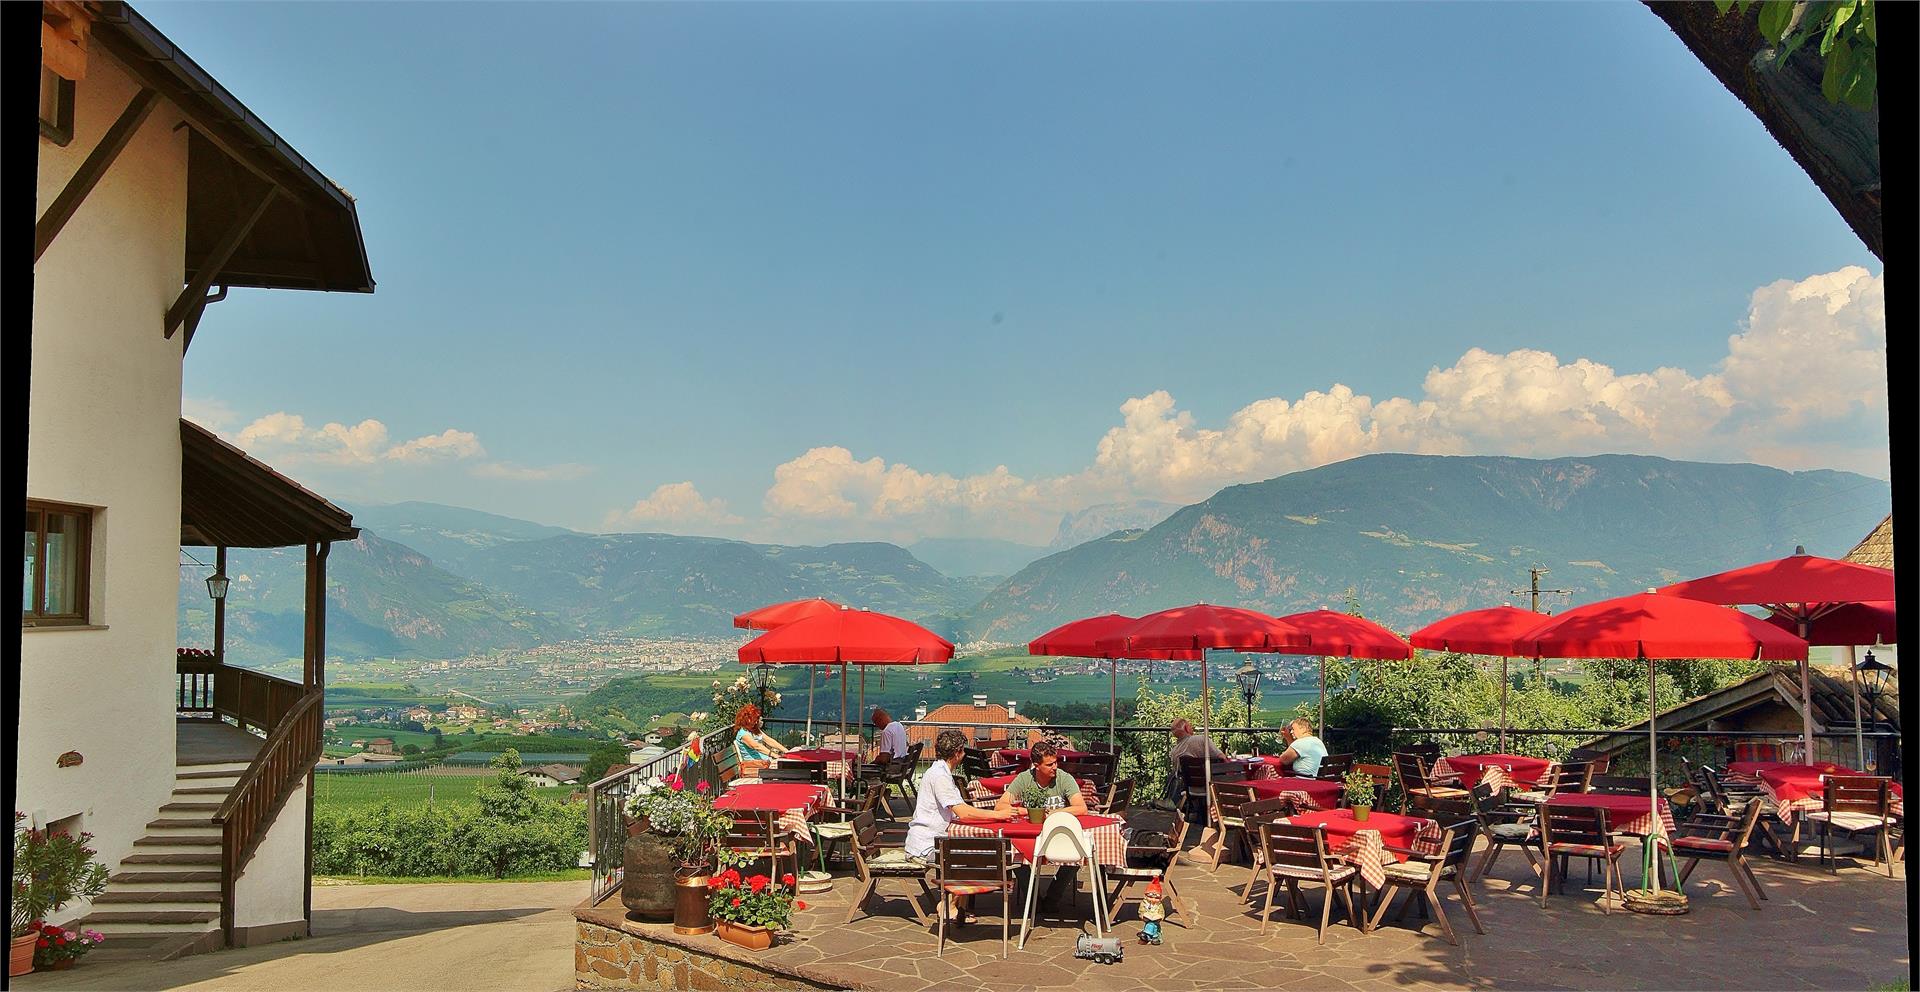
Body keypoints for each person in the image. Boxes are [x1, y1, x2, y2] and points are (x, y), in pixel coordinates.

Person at [906, 729, 1013, 925]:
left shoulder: (940, 772)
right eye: (962, 751)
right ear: (958, 753)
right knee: (970, 856)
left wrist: (987, 813)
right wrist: (997, 815)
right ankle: (948, 904)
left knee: (973, 850)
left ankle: (958, 904)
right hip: (926, 845)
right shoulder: (940, 776)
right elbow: (962, 812)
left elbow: (960, 809)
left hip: (932, 839)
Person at [993, 740, 1087, 907]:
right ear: (1036, 765)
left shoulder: (1064, 778)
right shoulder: (1024, 779)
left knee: (1077, 850)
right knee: (1013, 853)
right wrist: (1028, 811)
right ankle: (1034, 898)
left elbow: (1081, 808)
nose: (1055, 767)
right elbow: (1000, 805)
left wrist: (1053, 814)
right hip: (1028, 834)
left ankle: (1052, 899)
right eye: (1050, 764)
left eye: (1056, 762)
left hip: (1058, 833)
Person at [1167, 718, 1227, 803]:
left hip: (1190, 789)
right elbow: (1222, 758)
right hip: (1212, 787)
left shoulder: (1174, 752)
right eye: (1190, 725)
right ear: (1187, 728)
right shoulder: (1202, 740)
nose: (1192, 728)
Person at [732, 703, 787, 778]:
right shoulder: (743, 734)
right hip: (754, 766)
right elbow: (756, 746)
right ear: (747, 719)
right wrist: (775, 755)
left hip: (764, 763)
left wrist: (786, 751)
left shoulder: (753, 730)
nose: (756, 722)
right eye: (755, 719)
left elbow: (768, 740)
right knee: (786, 769)